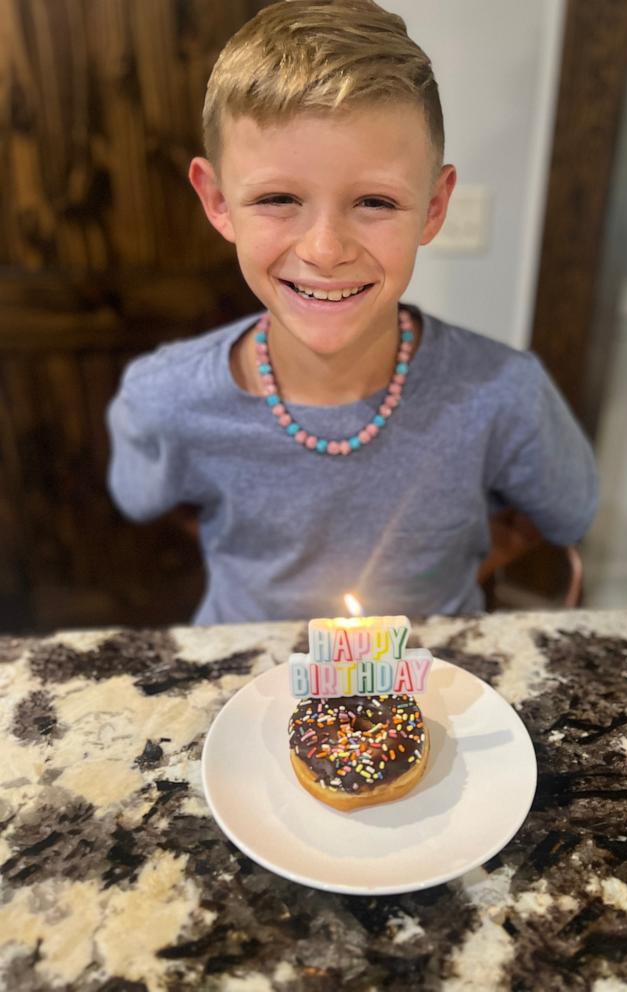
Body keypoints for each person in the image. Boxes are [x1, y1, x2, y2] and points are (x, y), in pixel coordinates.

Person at [106, 0, 598, 624]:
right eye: (279, 198)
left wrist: (463, 562)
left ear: (434, 205)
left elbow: (566, 511)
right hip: (247, 690)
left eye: (374, 201)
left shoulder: (506, 395)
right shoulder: (164, 398)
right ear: (218, 200)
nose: (325, 250)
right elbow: (147, 500)